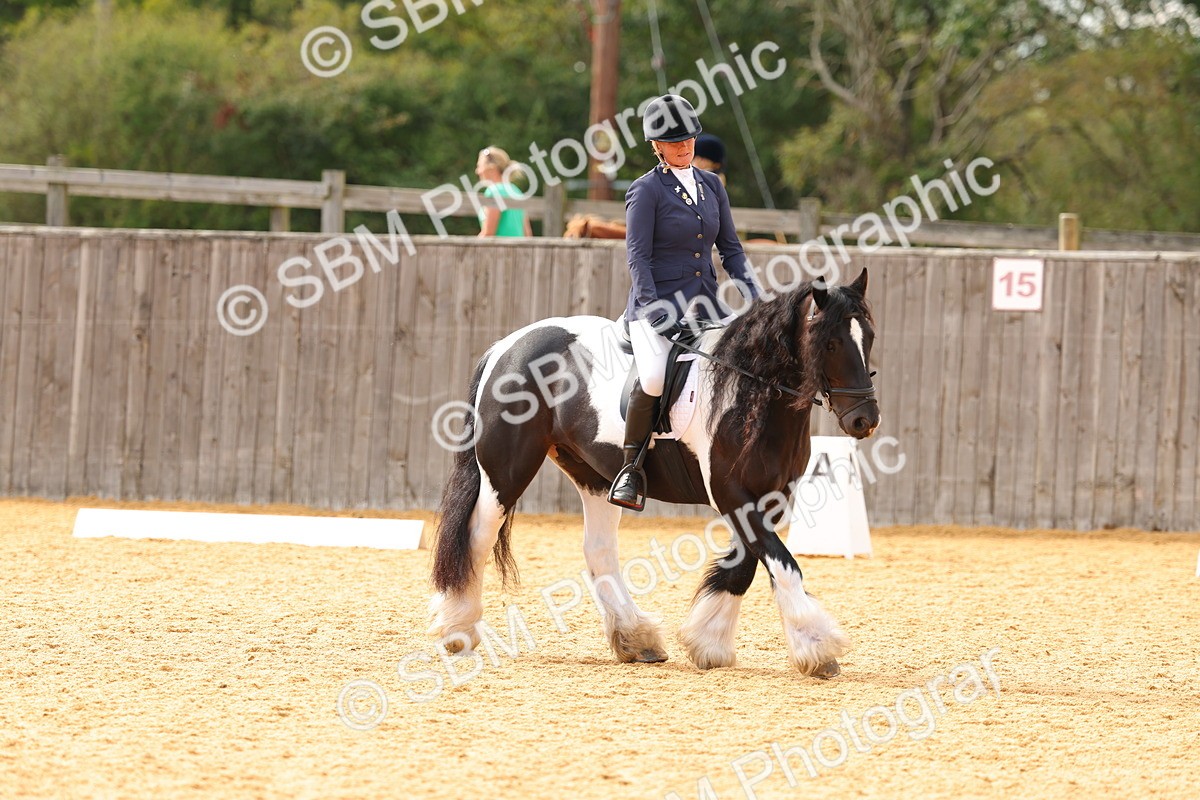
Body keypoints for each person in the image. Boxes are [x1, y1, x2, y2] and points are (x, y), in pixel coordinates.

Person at [608, 95, 761, 510]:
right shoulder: (645, 190)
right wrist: (653, 307)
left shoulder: (712, 186)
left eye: (688, 139)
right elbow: (637, 256)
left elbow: (730, 249)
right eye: (674, 143)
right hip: (654, 306)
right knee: (655, 377)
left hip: (706, 305)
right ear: (656, 146)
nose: (684, 147)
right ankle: (631, 468)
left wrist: (755, 296)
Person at [475, 147, 532, 237]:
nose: (477, 171)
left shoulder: (494, 192)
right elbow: (527, 234)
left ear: (491, 168)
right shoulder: (516, 191)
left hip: (499, 250)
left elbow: (488, 234)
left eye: (479, 166)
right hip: (519, 250)